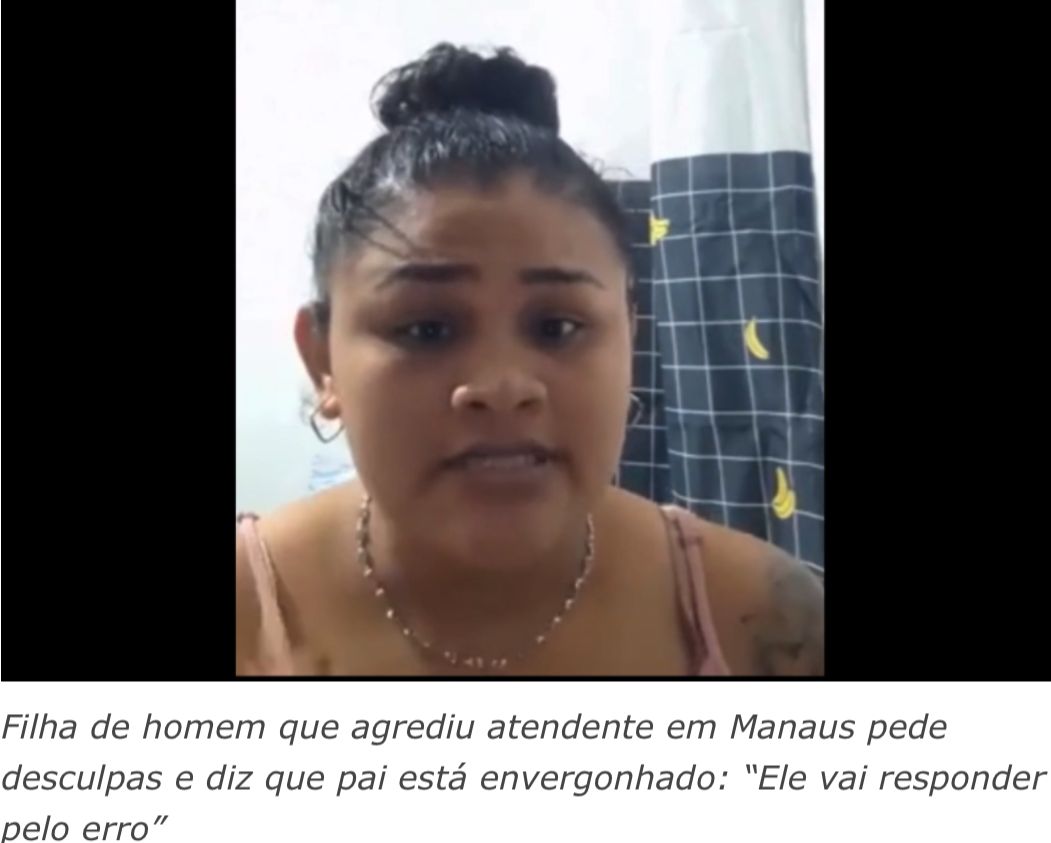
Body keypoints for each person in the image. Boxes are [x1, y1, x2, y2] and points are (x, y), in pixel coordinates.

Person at [236, 43, 824, 676]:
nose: (502, 386)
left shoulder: (758, 613)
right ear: (321, 359)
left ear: (628, 337)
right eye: (427, 329)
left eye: (559, 327)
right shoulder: (249, 610)